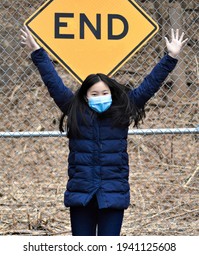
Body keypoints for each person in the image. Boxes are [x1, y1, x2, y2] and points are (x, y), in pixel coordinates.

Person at [20, 26, 187, 236]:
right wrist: (37, 53)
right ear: (86, 96)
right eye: (95, 93)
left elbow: (149, 85)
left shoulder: (122, 112)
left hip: (112, 195)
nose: (100, 97)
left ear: (112, 93)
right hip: (82, 196)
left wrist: (170, 57)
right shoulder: (75, 112)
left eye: (105, 92)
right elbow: (53, 82)